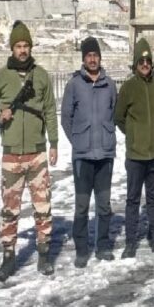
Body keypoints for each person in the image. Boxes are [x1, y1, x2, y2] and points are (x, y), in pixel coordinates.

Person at [0, 22, 58, 280]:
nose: (22, 50)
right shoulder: (1, 76)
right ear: (12, 48)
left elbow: (50, 111)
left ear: (31, 47)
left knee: (42, 205)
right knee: (10, 209)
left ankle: (44, 255)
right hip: (11, 153)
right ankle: (8, 257)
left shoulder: (42, 75)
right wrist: (0, 114)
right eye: (18, 46)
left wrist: (54, 143)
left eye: (26, 46)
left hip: (37, 153)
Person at [61, 37, 117, 268]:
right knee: (82, 205)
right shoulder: (74, 85)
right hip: (83, 156)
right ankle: (82, 249)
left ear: (100, 58)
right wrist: (78, 141)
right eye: (89, 55)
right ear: (83, 59)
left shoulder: (110, 85)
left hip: (104, 154)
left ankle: (103, 246)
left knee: (104, 205)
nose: (92, 59)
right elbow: (66, 118)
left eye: (95, 55)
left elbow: (114, 111)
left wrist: (108, 135)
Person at [114, 38, 154, 258]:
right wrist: (134, 135)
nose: (146, 64)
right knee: (132, 199)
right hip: (136, 155)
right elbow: (118, 117)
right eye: (142, 60)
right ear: (136, 63)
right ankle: (131, 242)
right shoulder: (129, 87)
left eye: (148, 60)